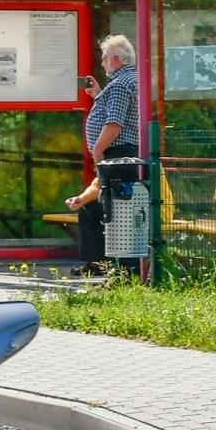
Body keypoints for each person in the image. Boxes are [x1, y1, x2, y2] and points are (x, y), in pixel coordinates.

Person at [64, 34, 141, 276]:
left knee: (114, 208)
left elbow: (115, 123)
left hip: (117, 155)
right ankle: (99, 263)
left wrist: (98, 151)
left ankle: (120, 269)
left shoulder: (119, 84)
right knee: (97, 206)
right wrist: (98, 95)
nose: (102, 63)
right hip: (125, 154)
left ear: (116, 59)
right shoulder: (131, 80)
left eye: (105, 58)